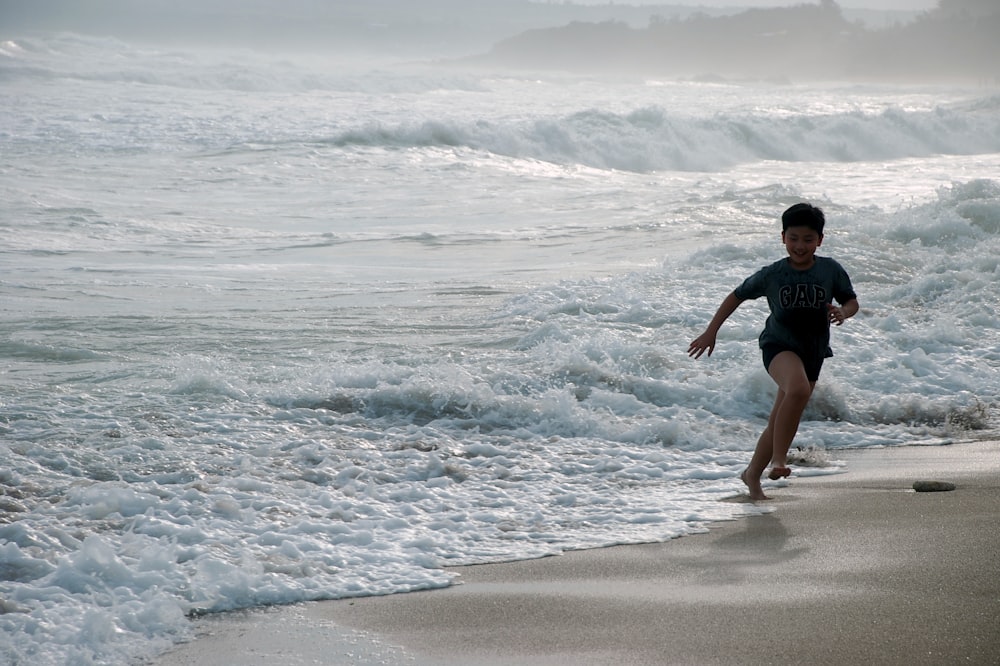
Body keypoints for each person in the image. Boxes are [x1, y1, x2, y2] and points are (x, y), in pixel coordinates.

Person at [687, 203, 859, 500]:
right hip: (778, 345)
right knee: (798, 390)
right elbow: (736, 295)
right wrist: (711, 331)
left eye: (807, 239)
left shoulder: (830, 270)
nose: (800, 246)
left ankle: (751, 474)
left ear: (820, 240)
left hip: (813, 350)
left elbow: (851, 301)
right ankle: (779, 461)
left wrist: (844, 312)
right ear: (783, 238)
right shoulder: (773, 274)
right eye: (793, 238)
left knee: (782, 414)